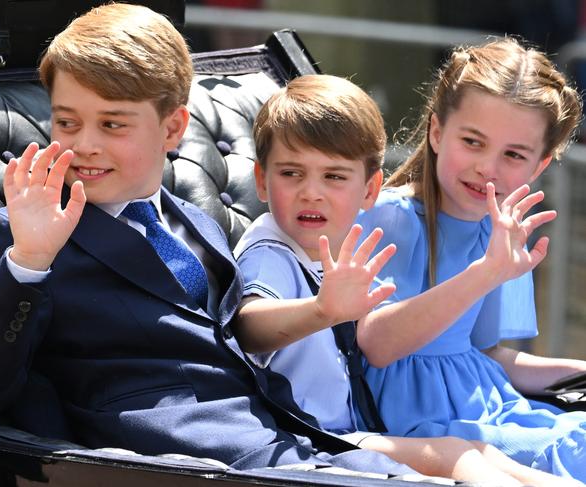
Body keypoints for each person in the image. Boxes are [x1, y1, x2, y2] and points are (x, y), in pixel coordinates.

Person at [0, 2, 436, 477]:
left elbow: (237, 342)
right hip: (174, 462)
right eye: (67, 122)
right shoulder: (17, 235)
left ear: (173, 128)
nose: (84, 143)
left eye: (112, 124)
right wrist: (29, 260)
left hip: (287, 436)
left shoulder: (198, 223)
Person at [233, 73, 573, 486]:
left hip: (359, 426)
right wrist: (321, 309)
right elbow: (248, 326)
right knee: (460, 454)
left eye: (334, 177)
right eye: (291, 174)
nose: (312, 193)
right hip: (320, 435)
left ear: (367, 189)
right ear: (261, 181)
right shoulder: (275, 248)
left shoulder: (332, 246)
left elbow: (483, 352)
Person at [354, 36, 586, 482]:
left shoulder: (499, 228)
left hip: (494, 409)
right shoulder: (393, 217)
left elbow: (486, 355)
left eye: (514, 155)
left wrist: (578, 372)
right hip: (428, 427)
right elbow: (377, 346)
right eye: (473, 142)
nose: (488, 167)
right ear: (438, 132)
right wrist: (486, 272)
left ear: (538, 166)